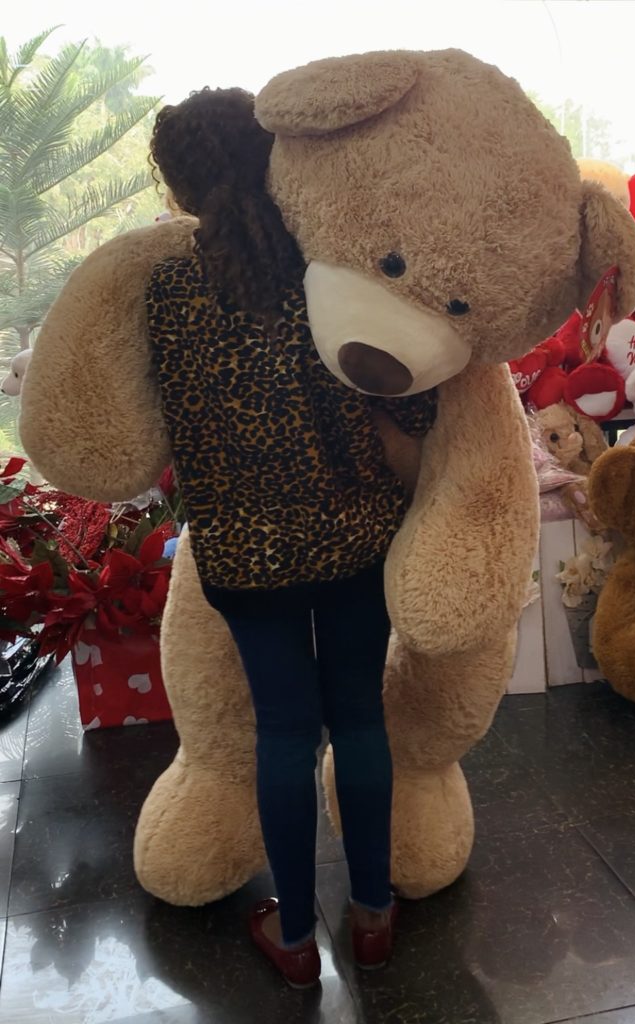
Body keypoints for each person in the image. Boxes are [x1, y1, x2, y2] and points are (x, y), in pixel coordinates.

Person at [147, 88, 437, 989]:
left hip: (243, 552)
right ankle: (374, 917)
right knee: (359, 716)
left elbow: (164, 427)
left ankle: (297, 939)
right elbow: (412, 400)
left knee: (282, 730)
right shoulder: (331, 268)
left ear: (179, 186)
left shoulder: (170, 290)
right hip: (354, 536)